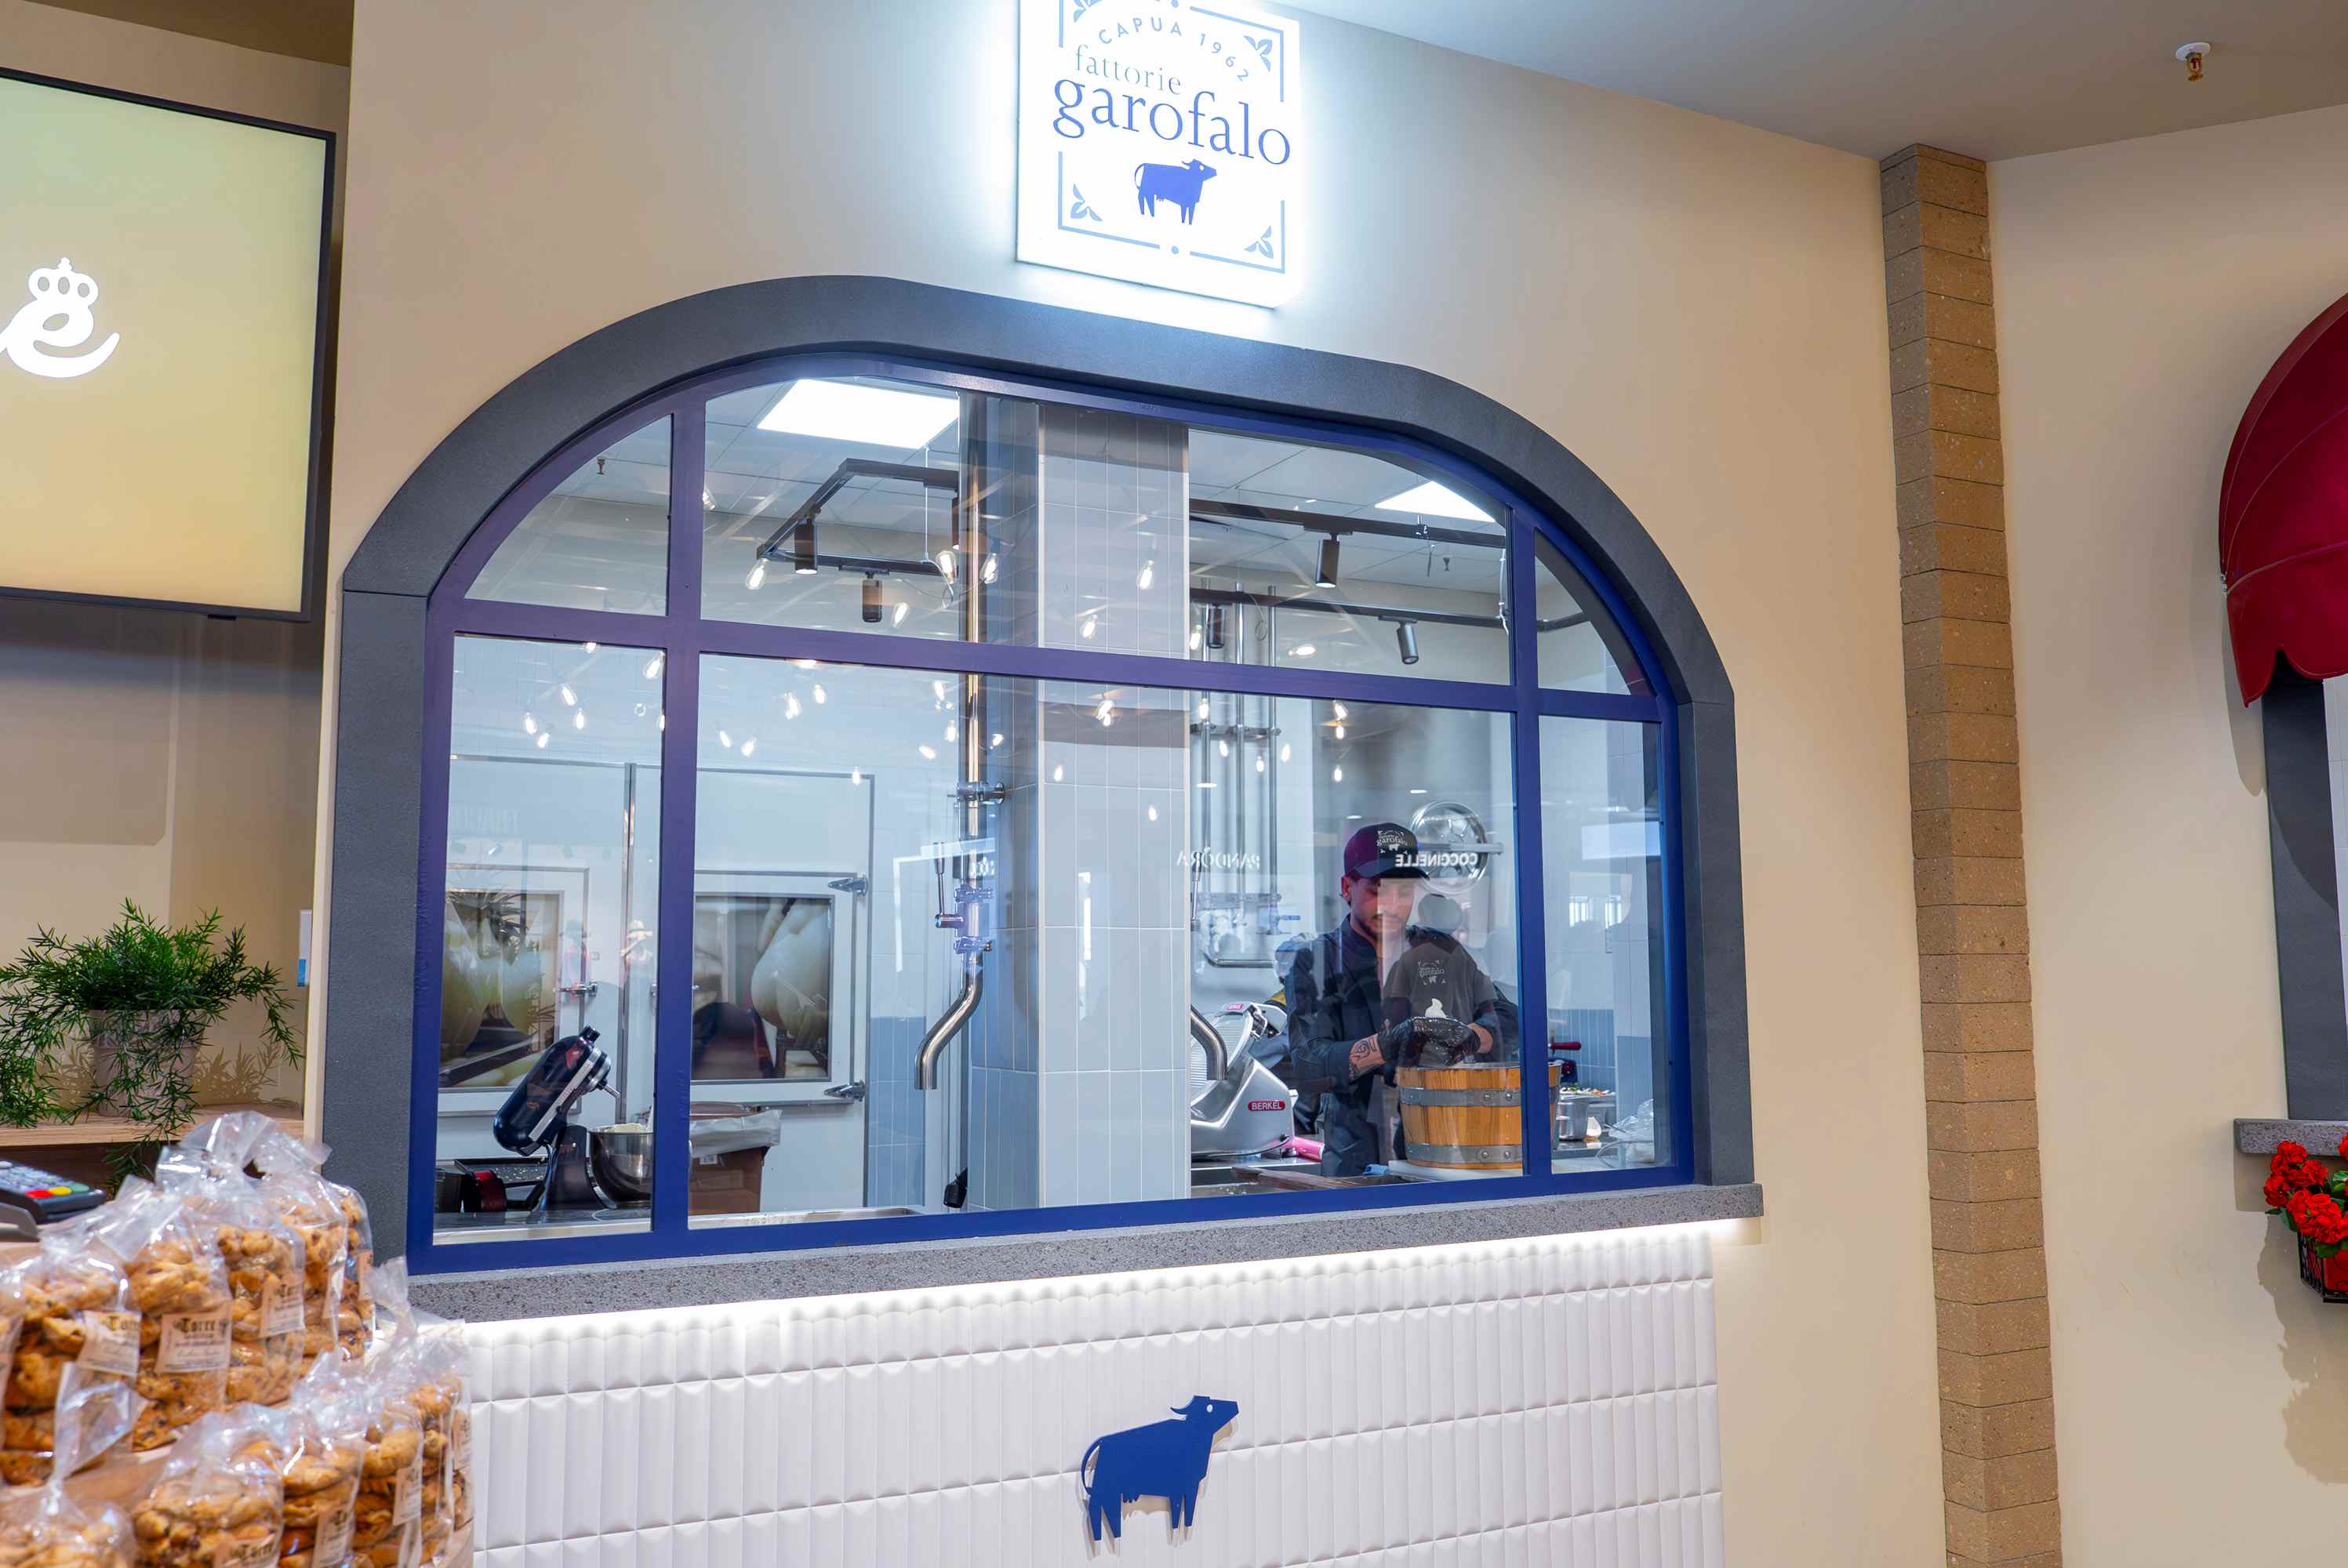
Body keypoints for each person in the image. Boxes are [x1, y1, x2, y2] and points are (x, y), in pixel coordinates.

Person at [1285, 822, 1520, 1176]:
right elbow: (1309, 1063)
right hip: (1356, 1162)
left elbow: (1509, 1019)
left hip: (1445, 1154)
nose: (1393, 906)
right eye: (1378, 891)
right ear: (1347, 888)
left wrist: (1470, 1037)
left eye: (1404, 891)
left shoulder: (1440, 950)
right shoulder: (1317, 961)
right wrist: (1388, 1045)